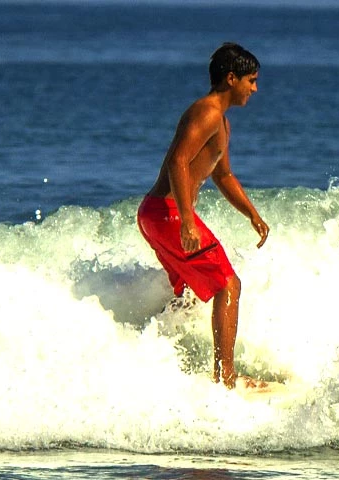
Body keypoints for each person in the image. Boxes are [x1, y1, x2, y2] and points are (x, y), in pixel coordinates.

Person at [136, 42, 270, 388]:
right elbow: (178, 162)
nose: (254, 88)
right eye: (250, 80)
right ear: (231, 78)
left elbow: (223, 176)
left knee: (189, 295)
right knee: (229, 285)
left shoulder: (221, 124)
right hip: (167, 213)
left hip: (156, 214)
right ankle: (225, 377)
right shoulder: (207, 112)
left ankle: (142, 358)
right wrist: (187, 219)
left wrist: (251, 214)